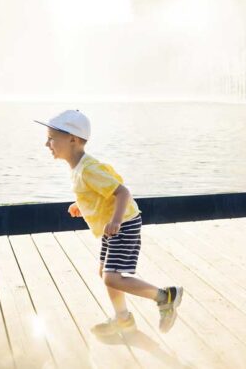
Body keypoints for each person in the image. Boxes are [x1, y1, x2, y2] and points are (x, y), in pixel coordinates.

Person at [36, 109, 183, 336]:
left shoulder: (88, 169)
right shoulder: (78, 167)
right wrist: (81, 205)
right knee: (107, 274)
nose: (47, 144)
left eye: (51, 138)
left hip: (123, 222)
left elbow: (123, 193)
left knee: (112, 277)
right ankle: (123, 319)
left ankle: (165, 297)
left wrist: (115, 221)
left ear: (73, 140)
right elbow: (96, 192)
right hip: (115, 223)